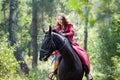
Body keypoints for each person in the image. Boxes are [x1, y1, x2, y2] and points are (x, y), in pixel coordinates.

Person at [48, 13, 93, 80]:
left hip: (71, 43)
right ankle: (54, 72)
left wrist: (64, 34)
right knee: (57, 56)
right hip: (62, 46)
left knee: (83, 53)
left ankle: (87, 73)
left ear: (64, 19)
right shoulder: (58, 28)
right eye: (58, 19)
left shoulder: (69, 25)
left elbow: (72, 32)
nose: (60, 21)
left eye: (61, 19)